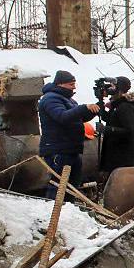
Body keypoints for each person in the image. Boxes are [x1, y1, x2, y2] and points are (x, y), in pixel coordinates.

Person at [38, 70, 100, 199]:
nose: (74, 87)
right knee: (58, 185)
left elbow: (77, 118)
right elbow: (62, 117)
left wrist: (93, 109)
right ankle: (52, 212)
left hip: (70, 149)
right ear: (61, 84)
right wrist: (83, 108)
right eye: (71, 84)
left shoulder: (68, 99)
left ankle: (68, 211)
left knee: (72, 186)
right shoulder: (50, 99)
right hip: (58, 149)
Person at [98, 76, 134, 176]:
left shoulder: (125, 107)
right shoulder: (117, 105)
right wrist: (100, 104)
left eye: (112, 86)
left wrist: (106, 129)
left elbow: (129, 130)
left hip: (122, 156)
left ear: (119, 88)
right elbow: (111, 120)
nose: (110, 89)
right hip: (114, 154)